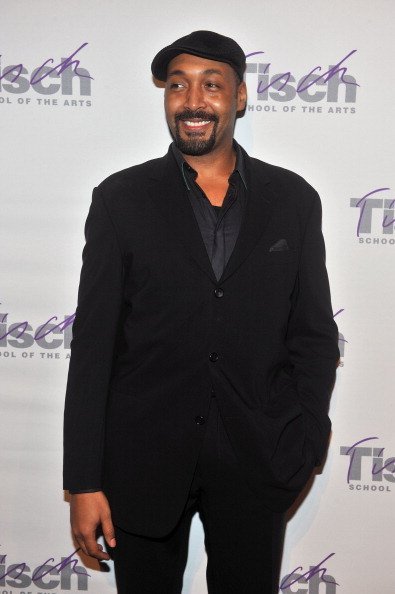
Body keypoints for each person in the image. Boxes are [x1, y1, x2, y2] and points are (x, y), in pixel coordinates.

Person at [64, 30, 339, 594]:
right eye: (178, 85)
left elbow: (312, 334)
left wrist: (306, 439)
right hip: (141, 462)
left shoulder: (293, 200)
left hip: (258, 460)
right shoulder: (121, 199)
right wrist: (83, 481)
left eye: (212, 85)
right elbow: (93, 347)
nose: (193, 100)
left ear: (238, 97)